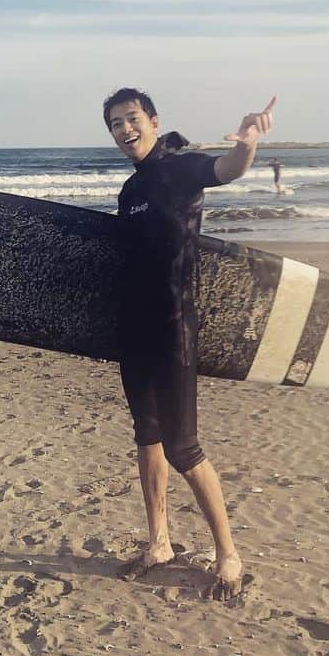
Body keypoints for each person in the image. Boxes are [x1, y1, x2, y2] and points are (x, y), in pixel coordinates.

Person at [104, 87, 276, 604]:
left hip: (174, 329)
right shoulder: (129, 192)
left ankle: (228, 554)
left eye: (131, 119)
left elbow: (227, 170)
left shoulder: (178, 170)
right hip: (133, 333)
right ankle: (159, 544)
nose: (124, 130)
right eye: (114, 124)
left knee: (183, 447)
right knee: (147, 437)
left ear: (153, 121)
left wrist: (247, 144)